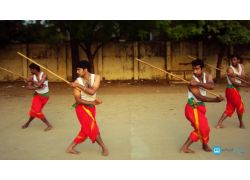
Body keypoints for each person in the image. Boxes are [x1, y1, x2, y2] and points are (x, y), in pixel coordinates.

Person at [181, 59, 224, 153]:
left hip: (201, 107)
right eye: (193, 69)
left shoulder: (207, 76)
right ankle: (185, 147)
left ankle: (204, 145)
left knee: (203, 127)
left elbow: (211, 86)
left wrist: (199, 83)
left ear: (202, 68)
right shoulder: (192, 81)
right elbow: (200, 97)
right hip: (192, 107)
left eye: (197, 69)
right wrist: (216, 100)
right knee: (203, 128)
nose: (194, 71)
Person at [66, 60, 109, 156]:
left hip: (92, 108)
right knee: (92, 127)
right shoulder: (77, 81)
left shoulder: (96, 77)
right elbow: (78, 100)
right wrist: (93, 102)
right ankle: (103, 147)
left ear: (85, 69)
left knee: (86, 129)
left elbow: (92, 91)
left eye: (78, 69)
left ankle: (70, 147)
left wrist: (78, 86)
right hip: (81, 108)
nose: (77, 72)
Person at [216, 55, 249, 129]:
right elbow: (233, 82)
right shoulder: (230, 69)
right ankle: (241, 123)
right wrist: (245, 85)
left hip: (235, 90)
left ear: (238, 60)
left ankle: (219, 124)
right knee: (240, 106)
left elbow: (243, 77)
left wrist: (236, 75)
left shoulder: (241, 66)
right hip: (231, 89)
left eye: (234, 60)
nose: (233, 61)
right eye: (232, 60)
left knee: (230, 108)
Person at [22, 63, 53, 131]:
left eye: (31, 69)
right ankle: (49, 125)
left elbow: (39, 84)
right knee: (36, 111)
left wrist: (32, 81)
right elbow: (28, 87)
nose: (30, 71)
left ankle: (28, 123)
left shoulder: (43, 75)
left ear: (35, 69)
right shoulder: (32, 76)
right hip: (37, 95)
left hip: (45, 96)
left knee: (35, 112)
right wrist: (28, 82)